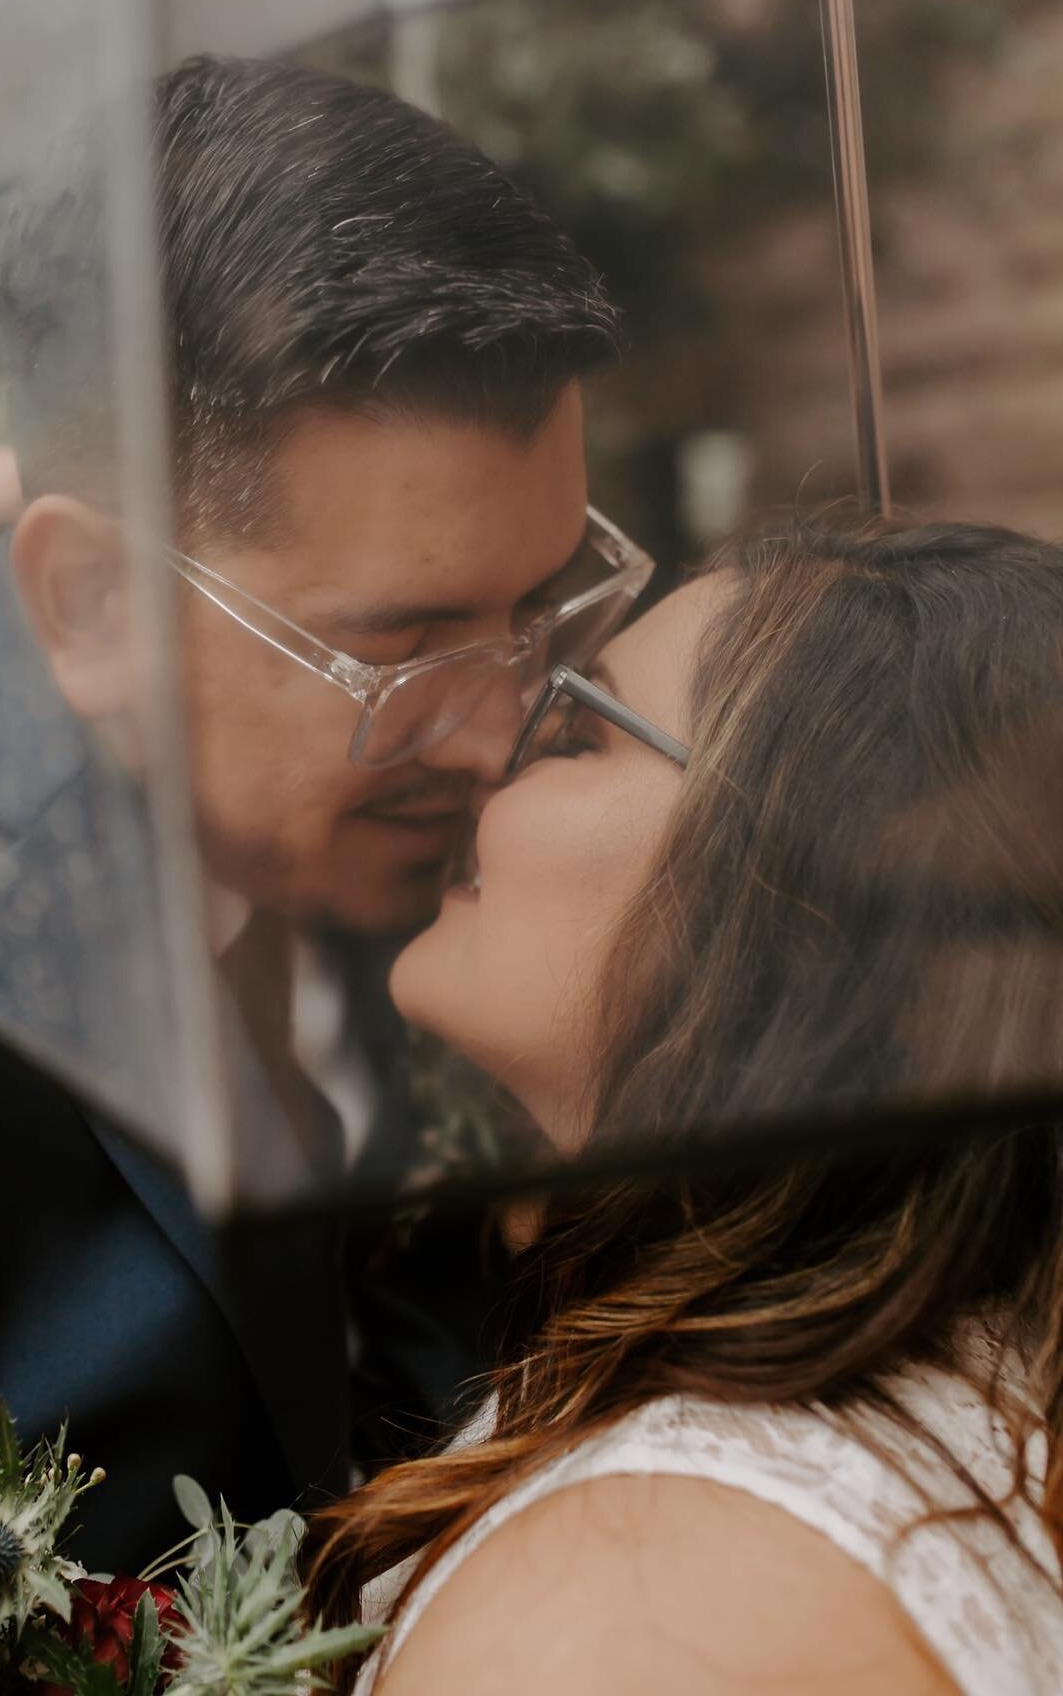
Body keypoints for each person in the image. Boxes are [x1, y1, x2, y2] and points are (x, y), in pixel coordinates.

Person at [0, 56, 626, 1651]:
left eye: (550, 604)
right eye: (403, 648)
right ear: (84, 602)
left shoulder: (473, 787)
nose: (501, 731)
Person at [297, 516, 1063, 1695]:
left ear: (799, 911)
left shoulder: (635, 1619)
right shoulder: (962, 1383)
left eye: (573, 725)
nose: (484, 750)